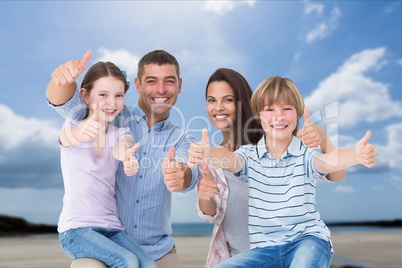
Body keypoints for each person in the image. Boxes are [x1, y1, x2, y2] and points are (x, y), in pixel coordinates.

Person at [189, 76, 376, 268]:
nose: (279, 116)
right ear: (258, 116)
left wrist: (356, 155)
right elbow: (228, 159)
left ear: (298, 115)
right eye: (270, 109)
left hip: (307, 241)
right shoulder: (249, 155)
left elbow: (330, 162)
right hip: (263, 249)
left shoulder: (306, 154)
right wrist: (207, 152)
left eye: (287, 109)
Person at [47, 50, 198, 268]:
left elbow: (189, 174)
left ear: (180, 85)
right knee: (120, 261)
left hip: (153, 246)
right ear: (137, 85)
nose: (161, 89)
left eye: (169, 81)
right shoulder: (109, 115)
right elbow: (62, 102)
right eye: (152, 81)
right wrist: (61, 81)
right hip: (88, 235)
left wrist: (180, 174)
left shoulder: (180, 138)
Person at [56, 60, 157, 268]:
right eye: (103, 95)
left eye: (118, 95)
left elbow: (122, 147)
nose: (112, 102)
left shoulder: (121, 133)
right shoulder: (73, 125)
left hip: (113, 229)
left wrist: (128, 156)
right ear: (86, 96)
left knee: (148, 264)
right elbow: (68, 138)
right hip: (76, 231)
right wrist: (80, 132)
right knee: (127, 261)